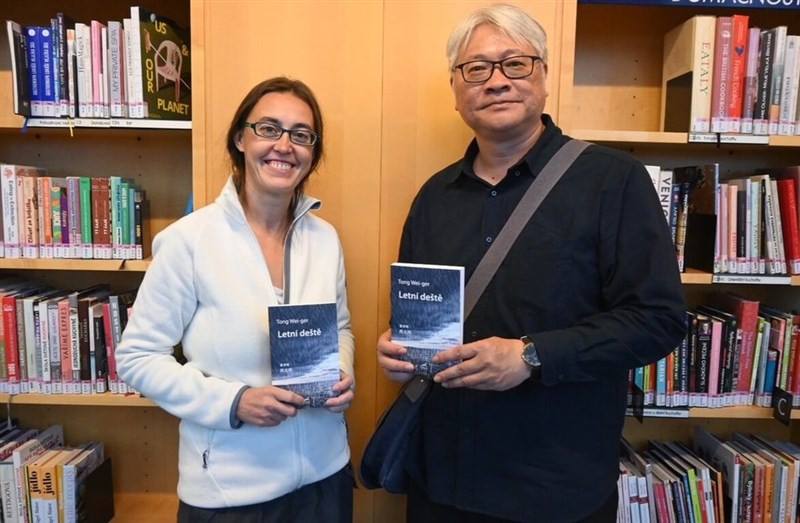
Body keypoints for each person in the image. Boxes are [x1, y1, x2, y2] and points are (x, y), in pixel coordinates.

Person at [376, 4, 686, 523]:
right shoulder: (433, 197)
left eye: (515, 64)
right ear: (456, 88)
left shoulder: (615, 181)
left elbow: (658, 320)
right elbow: (420, 311)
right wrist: (400, 347)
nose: (496, 82)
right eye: (476, 69)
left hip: (556, 488)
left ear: (543, 76)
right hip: (442, 482)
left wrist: (532, 356)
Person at [116, 77, 355, 522]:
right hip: (232, 493)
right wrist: (233, 402)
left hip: (327, 479)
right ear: (240, 139)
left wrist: (344, 371)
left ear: (311, 154)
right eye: (268, 128)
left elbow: (339, 327)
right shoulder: (189, 241)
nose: (284, 145)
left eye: (300, 135)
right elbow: (137, 357)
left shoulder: (325, 240)